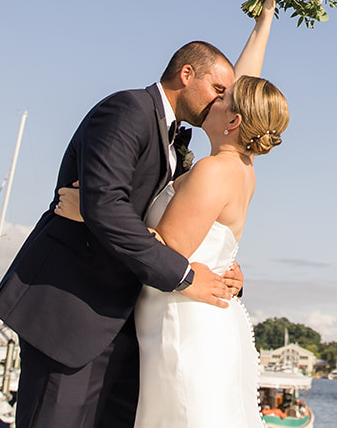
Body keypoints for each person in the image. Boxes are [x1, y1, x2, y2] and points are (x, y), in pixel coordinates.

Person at [0, 0, 276, 428]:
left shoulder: (206, 155)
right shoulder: (128, 109)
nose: (221, 100)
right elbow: (109, 203)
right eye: (217, 89)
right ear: (186, 74)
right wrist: (102, 213)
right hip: (76, 309)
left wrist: (93, 211)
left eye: (226, 98)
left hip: (133, 324)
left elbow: (114, 209)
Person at [60, 73, 290, 426]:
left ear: (234, 120)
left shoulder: (213, 171)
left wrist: (91, 211)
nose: (212, 101)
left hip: (185, 323)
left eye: (221, 97)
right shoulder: (244, 167)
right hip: (199, 315)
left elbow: (168, 250)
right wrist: (264, 21)